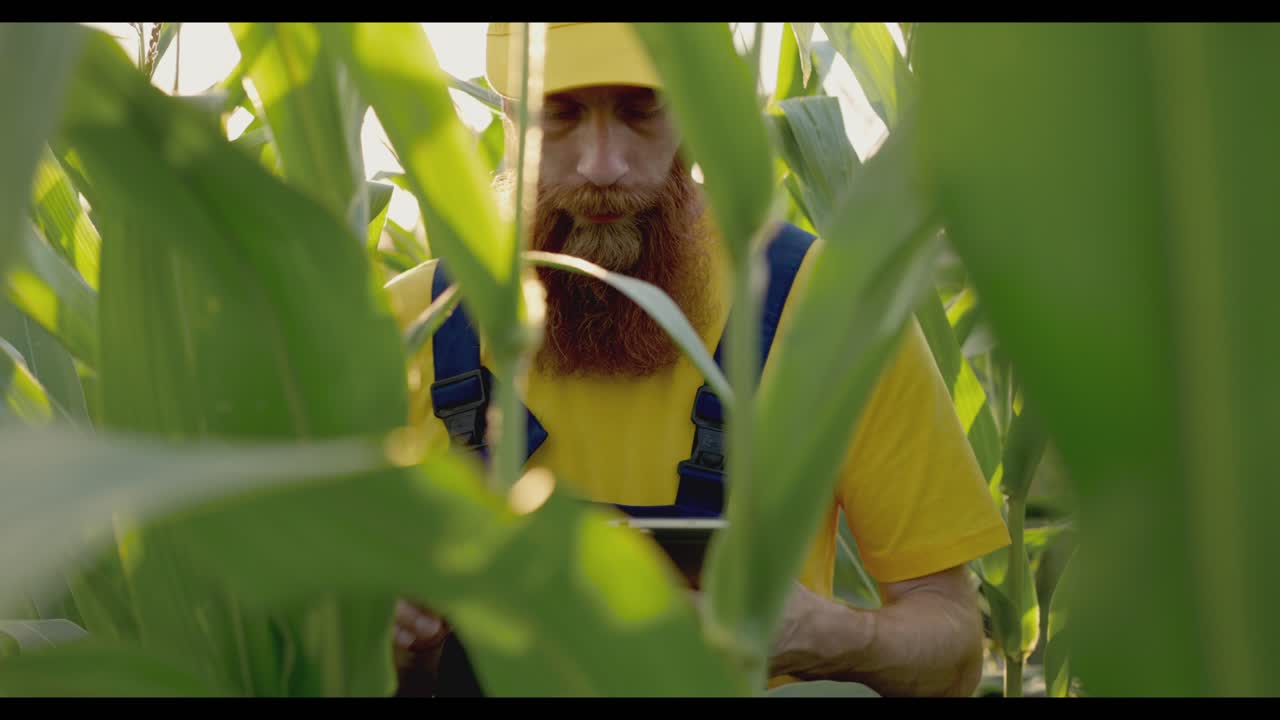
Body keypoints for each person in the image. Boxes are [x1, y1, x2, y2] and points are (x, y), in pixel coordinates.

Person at [384, 22, 1011, 698]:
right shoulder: (411, 325)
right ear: (510, 115)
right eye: (560, 112)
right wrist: (393, 649)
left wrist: (823, 636)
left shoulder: (831, 308)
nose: (602, 165)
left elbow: (954, 654)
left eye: (640, 109)